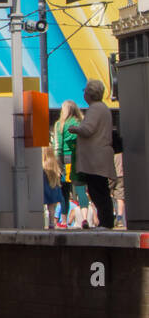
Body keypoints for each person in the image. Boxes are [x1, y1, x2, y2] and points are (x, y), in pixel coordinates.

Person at [73, 78, 116, 229]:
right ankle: (107, 221)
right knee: (101, 189)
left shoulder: (95, 109)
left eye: (85, 90)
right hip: (99, 157)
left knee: (97, 190)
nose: (84, 93)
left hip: (94, 158)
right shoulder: (103, 108)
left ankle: (105, 222)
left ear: (89, 93)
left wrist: (75, 128)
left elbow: (88, 129)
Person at [53, 101, 83, 227]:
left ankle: (64, 220)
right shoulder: (80, 122)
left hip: (66, 158)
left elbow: (58, 147)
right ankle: (84, 216)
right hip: (79, 157)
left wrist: (57, 164)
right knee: (81, 187)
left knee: (64, 190)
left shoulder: (60, 124)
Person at [42, 147, 64, 229]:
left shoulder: (43, 165)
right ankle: (51, 223)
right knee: (51, 208)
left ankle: (43, 222)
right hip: (54, 188)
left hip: (45, 189)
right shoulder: (55, 165)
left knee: (43, 208)